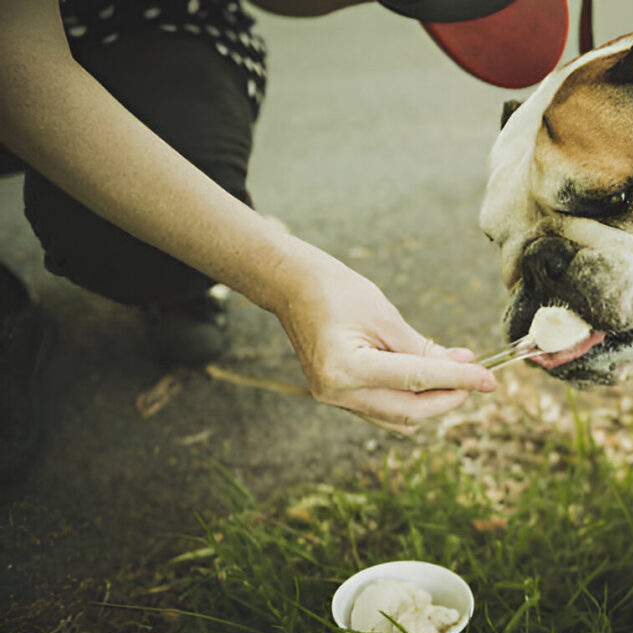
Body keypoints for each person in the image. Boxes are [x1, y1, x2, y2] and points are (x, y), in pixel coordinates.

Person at [0, 0, 569, 472]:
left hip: (152, 17)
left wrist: (283, 275)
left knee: (137, 239)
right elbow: (15, 66)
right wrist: (285, 278)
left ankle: (181, 274)